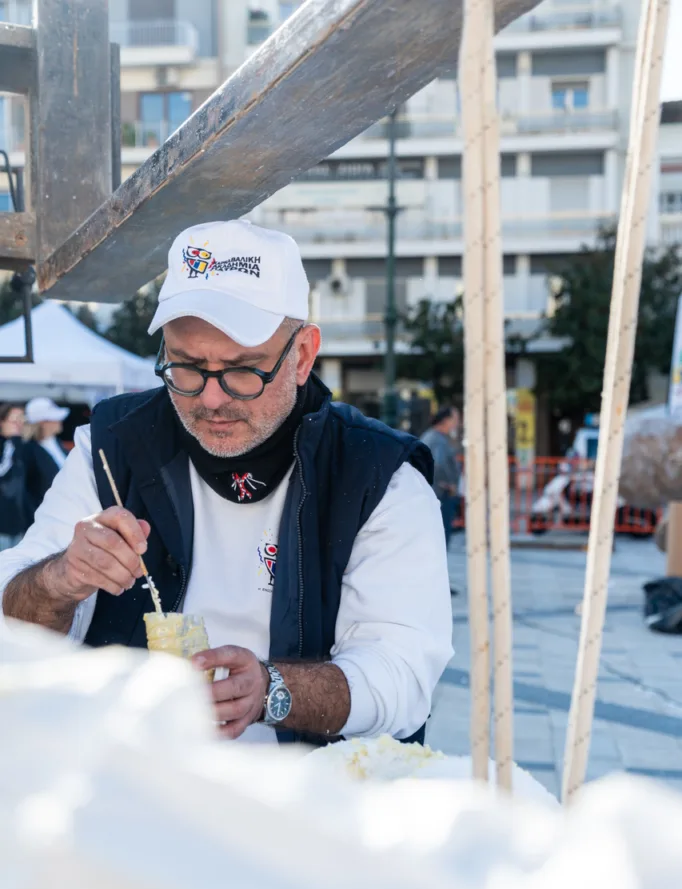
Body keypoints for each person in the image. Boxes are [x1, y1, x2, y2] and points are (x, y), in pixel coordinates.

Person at [0, 219, 452, 747]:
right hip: (129, 790)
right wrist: (61, 578)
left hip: (313, 806)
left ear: (302, 355)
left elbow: (402, 675)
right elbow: (14, 632)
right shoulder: (111, 447)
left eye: (242, 369)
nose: (211, 399)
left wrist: (272, 691)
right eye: (187, 366)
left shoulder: (379, 475)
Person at [420, 406, 462, 550]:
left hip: (436, 492)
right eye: (455, 419)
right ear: (446, 420)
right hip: (440, 493)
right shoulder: (437, 439)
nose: (457, 423)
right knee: (441, 536)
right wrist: (449, 484)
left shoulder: (434, 437)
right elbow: (439, 464)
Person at [22, 397, 70, 519]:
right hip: (44, 517)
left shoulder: (57, 443)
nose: (60, 421)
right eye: (55, 419)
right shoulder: (28, 450)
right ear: (43, 422)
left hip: (65, 512)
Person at [0, 403, 29, 551]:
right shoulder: (7, 446)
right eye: (14, 419)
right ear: (2, 421)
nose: (18, 424)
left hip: (17, 523)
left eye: (22, 419)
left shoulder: (21, 447)